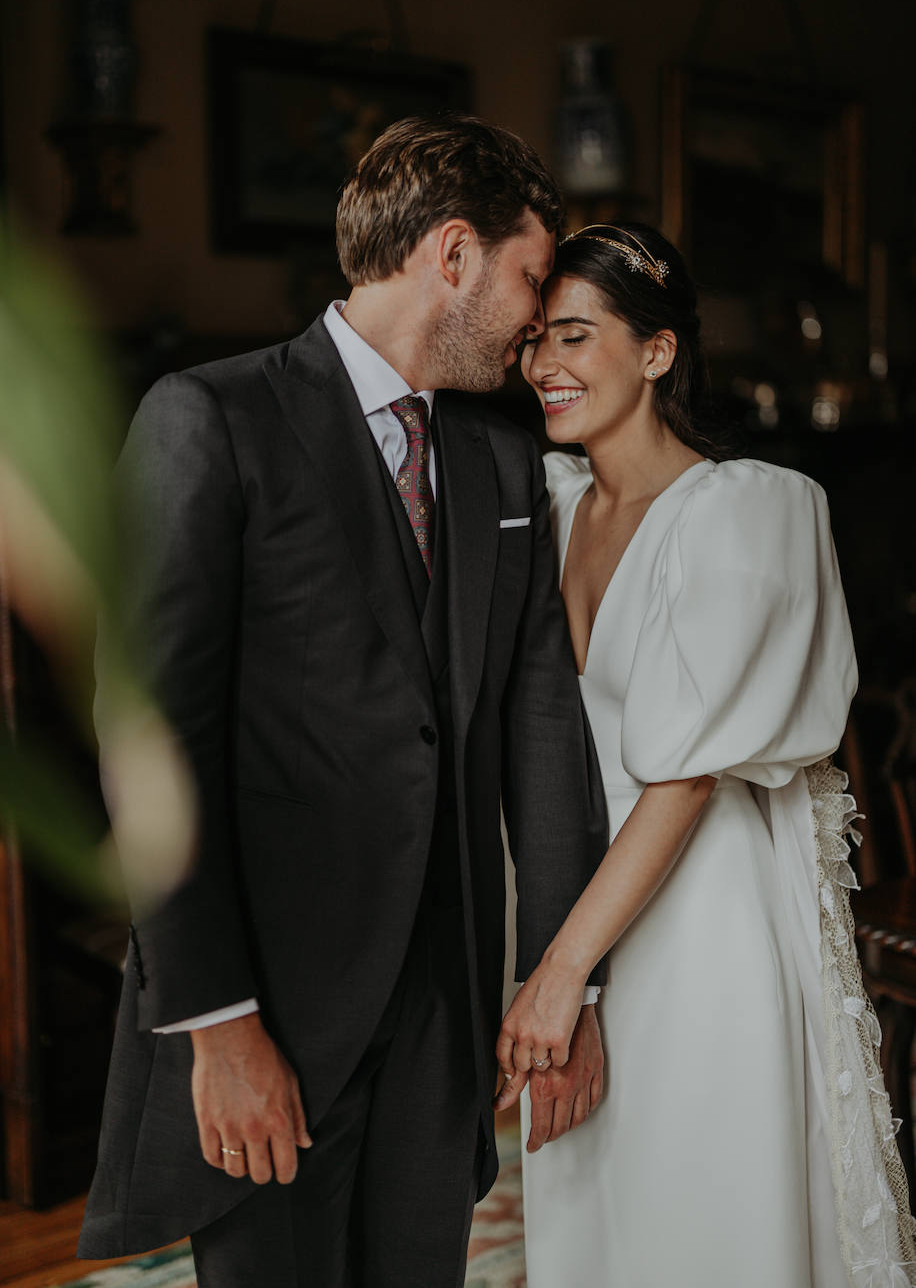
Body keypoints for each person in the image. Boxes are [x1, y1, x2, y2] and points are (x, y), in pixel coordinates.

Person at [77, 116, 609, 1288]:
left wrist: (566, 980)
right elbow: (149, 738)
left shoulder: (501, 458)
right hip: (271, 1009)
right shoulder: (209, 419)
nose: (536, 319)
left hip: (442, 1012)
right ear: (454, 254)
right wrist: (218, 1027)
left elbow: (541, 729)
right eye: (530, 277)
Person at [494, 222, 916, 1287]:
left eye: (578, 336)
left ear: (658, 351)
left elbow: (683, 775)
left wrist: (557, 975)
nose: (546, 364)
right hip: (587, 920)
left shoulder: (745, 514)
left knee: (705, 1215)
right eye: (537, 337)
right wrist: (564, 973)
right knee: (599, 1218)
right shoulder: (546, 509)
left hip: (699, 927)